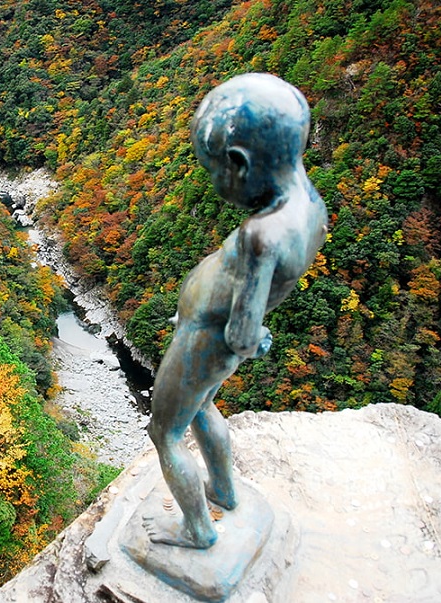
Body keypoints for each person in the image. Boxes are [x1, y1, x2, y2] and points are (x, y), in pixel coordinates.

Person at [143, 73, 329, 549]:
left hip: (206, 340)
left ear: (239, 165)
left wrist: (227, 333)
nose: (213, 182)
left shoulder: (261, 235)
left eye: (214, 172)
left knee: (165, 433)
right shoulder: (311, 208)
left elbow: (243, 335)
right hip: (207, 336)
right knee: (203, 406)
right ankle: (224, 491)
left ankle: (197, 530)